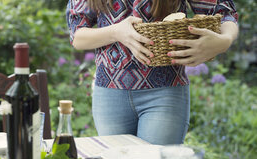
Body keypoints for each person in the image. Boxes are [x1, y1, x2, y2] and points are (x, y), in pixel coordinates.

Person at [66, 0, 238, 145]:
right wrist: (116, 32)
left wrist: (224, 41)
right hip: (109, 96)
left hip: (164, 93)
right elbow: (77, 35)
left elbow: (225, 13)